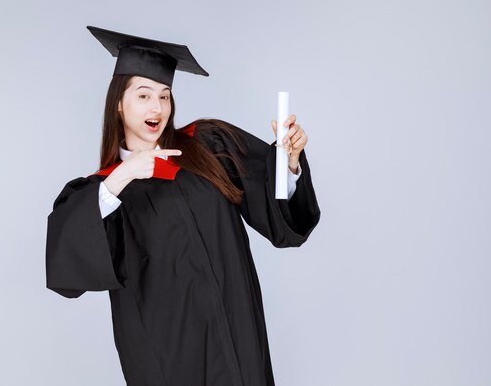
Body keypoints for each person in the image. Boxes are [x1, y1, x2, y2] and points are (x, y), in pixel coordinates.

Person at [45, 25, 321, 386]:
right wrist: (121, 177)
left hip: (238, 340)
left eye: (164, 96)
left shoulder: (207, 144)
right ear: (118, 103)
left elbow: (277, 211)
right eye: (143, 96)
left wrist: (290, 162)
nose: (157, 107)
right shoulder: (106, 191)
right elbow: (67, 265)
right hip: (168, 360)